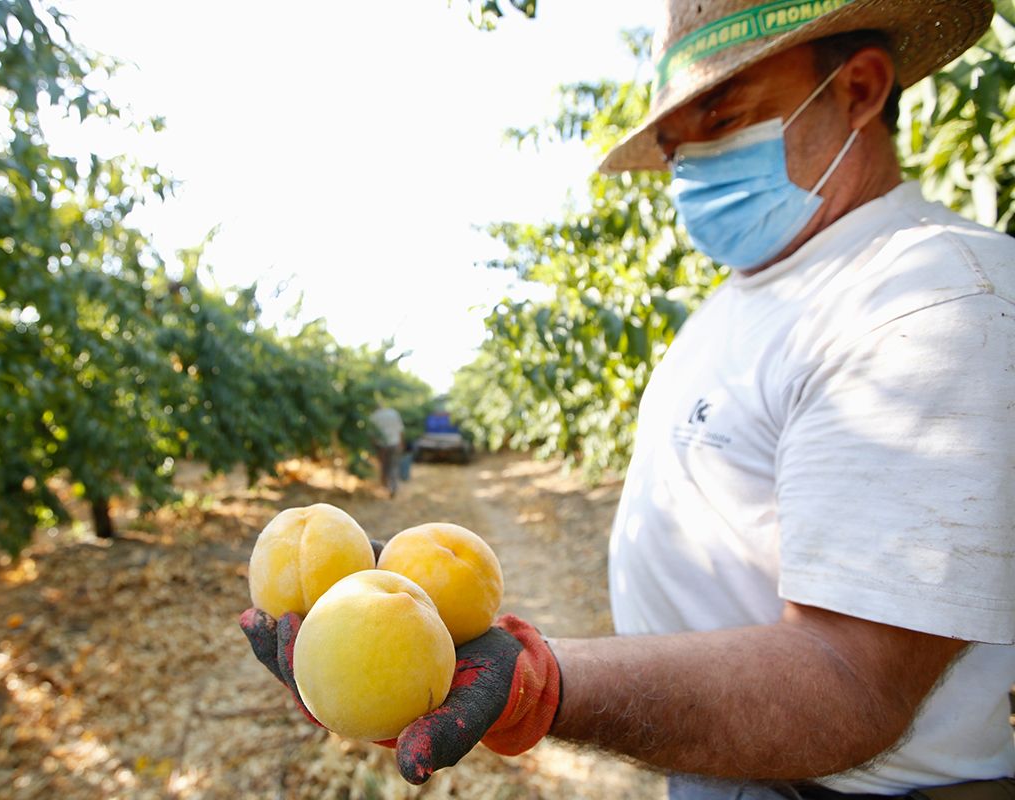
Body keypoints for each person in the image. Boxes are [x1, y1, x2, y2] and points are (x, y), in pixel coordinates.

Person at [241, 1, 1015, 796]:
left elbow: (852, 680)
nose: (694, 168)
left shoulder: (931, 297)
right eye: (678, 149)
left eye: (723, 118)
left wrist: (541, 682)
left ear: (859, 88)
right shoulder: (747, 297)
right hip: (737, 762)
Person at [368, 400, 404, 498]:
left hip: (381, 445)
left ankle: (386, 486)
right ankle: (393, 487)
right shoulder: (393, 413)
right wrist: (401, 443)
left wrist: (373, 446)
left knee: (384, 466)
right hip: (395, 443)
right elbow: (400, 430)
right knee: (393, 466)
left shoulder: (373, 417)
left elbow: (372, 435)